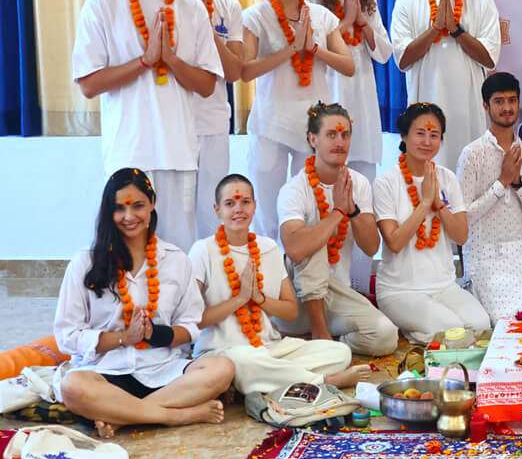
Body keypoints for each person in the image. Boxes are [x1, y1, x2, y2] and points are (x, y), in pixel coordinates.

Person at [72, 0, 224, 250]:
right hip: (129, 150)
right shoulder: (101, 6)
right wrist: (144, 61)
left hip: (178, 152)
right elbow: (89, 84)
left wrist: (170, 60)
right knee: (126, 254)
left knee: (177, 253)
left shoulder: (190, 7)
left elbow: (207, 85)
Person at [54, 168, 234, 438]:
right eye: (119, 208)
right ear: (108, 211)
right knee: (72, 386)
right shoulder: (85, 262)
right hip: (105, 373)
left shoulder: (176, 260)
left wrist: (155, 334)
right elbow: (67, 336)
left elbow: (190, 327)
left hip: (163, 373)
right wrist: (124, 338)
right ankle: (174, 416)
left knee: (222, 368)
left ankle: (123, 418)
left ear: (152, 204)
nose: (129, 217)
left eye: (137, 205)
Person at [190, 174, 372, 395]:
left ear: (254, 205)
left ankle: (263, 379)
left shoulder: (268, 248)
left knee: (339, 352)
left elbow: (290, 311)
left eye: (245, 202)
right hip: (222, 352)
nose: (238, 209)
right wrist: (240, 299)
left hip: (269, 348)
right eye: (230, 203)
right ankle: (323, 380)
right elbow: (194, 320)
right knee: (243, 359)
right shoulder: (203, 250)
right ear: (217, 209)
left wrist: (259, 299)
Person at [241, 0, 356, 237]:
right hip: (270, 123)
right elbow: (245, 71)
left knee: (310, 206)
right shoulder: (256, 15)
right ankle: (270, 262)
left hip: (313, 126)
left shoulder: (321, 16)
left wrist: (313, 49)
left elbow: (348, 65)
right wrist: (291, 49)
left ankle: (306, 265)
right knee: (267, 209)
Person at [273, 102, 397, 356]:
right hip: (295, 300)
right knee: (312, 239)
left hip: (337, 294)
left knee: (386, 335)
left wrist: (352, 211)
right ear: (313, 139)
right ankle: (320, 336)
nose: (340, 142)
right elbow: (295, 250)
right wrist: (337, 213)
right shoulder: (294, 189)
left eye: (345, 134)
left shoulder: (358, 184)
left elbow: (371, 246)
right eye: (331, 134)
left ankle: (333, 344)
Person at [374, 103, 491, 342]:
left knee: (481, 326)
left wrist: (438, 203)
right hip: (401, 291)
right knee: (451, 330)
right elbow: (394, 243)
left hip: (444, 287)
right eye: (420, 133)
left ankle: (422, 332)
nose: (427, 141)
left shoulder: (447, 178)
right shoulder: (386, 182)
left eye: (434, 135)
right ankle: (416, 330)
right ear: (404, 136)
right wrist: (425, 202)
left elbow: (461, 236)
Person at [391, 0, 500, 168]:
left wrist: (456, 30)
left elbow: (490, 58)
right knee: (428, 181)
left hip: (468, 114)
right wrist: (435, 30)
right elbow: (403, 60)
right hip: (425, 117)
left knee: (470, 176)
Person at [457, 73, 522, 321]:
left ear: (519, 103)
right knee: (513, 319)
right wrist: (501, 182)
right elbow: (463, 219)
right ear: (486, 106)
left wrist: (519, 185)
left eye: (512, 100)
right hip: (484, 257)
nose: (507, 108)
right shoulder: (472, 154)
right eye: (499, 101)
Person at [311, 0, 394, 184]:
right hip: (330, 87)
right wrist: (346, 21)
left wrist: (362, 22)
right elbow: (311, 48)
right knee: (328, 173)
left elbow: (384, 53)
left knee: (363, 179)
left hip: (362, 91)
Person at [177, 0, 245, 239]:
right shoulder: (165, 3)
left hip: (214, 121)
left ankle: (211, 269)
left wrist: (207, 25)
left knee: (211, 210)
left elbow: (234, 71)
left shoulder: (228, 6)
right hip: (175, 122)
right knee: (177, 211)